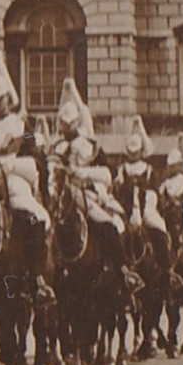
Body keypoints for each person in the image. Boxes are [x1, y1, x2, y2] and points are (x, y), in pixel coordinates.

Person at [51, 79, 141, 292]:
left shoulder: (90, 146)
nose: (66, 128)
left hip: (86, 193)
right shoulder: (56, 147)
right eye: (64, 124)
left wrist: (84, 173)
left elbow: (109, 174)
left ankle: (123, 272)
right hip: (59, 193)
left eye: (70, 124)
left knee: (108, 225)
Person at [0, 49, 54, 304]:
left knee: (36, 217)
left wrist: (9, 162)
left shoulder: (23, 126)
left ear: (8, 98)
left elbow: (37, 156)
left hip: (15, 182)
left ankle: (36, 277)